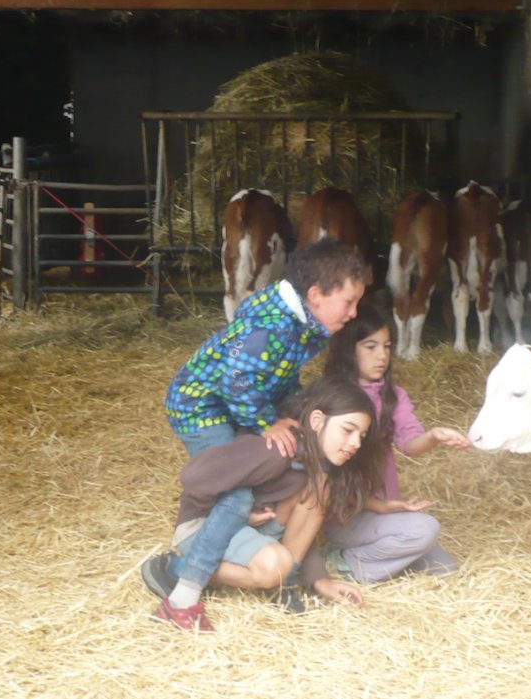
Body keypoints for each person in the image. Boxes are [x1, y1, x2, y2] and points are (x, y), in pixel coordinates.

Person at [143, 238, 371, 623]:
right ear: (315, 295)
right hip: (202, 406)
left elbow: (279, 377)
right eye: (348, 303)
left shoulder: (297, 321)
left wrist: (293, 411)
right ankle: (182, 591)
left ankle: (282, 575)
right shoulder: (271, 327)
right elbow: (237, 382)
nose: (352, 313)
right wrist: (268, 423)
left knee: (287, 476)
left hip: (235, 402)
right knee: (236, 494)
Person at [154, 376, 384, 631]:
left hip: (250, 532)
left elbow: (302, 528)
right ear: (317, 420)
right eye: (348, 430)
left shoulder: (314, 462)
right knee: (275, 565)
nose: (355, 443)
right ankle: (175, 570)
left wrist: (319, 579)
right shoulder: (277, 450)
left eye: (361, 436)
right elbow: (194, 477)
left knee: (321, 486)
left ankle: (283, 585)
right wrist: (232, 511)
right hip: (202, 529)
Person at [321, 301, 471, 583]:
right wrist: (376, 506)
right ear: (348, 348)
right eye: (371, 346)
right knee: (424, 530)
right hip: (347, 515)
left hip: (386, 514)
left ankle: (377, 562)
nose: (382, 356)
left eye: (387, 346)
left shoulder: (394, 395)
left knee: (446, 572)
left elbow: (410, 444)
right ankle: (346, 563)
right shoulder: (334, 397)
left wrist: (434, 436)